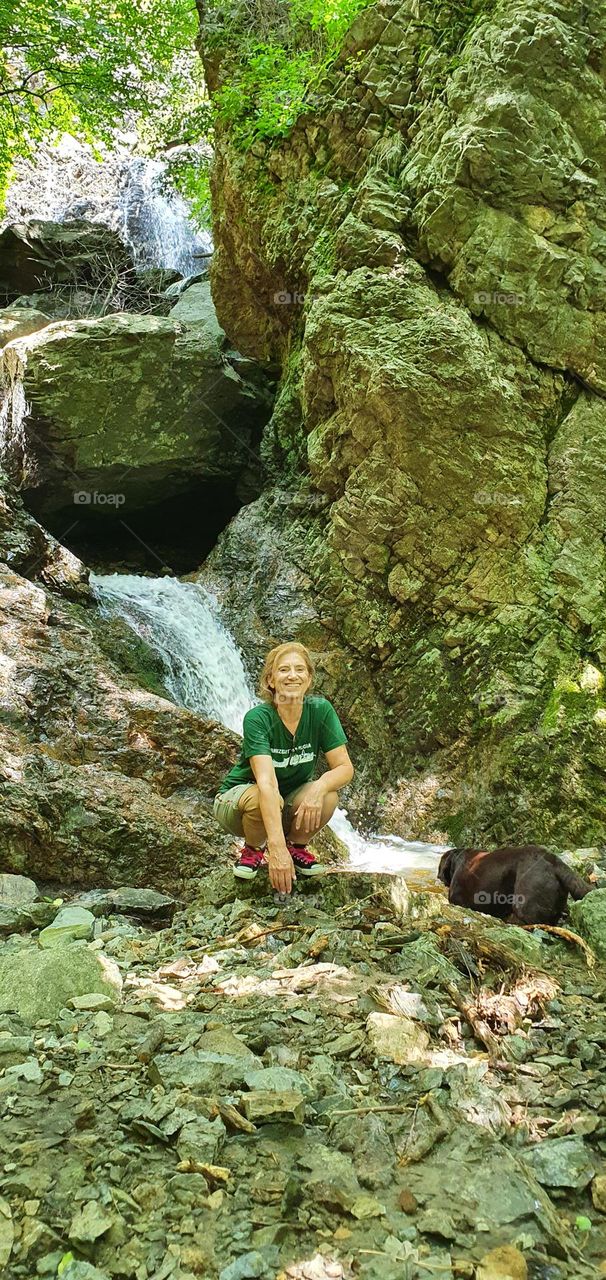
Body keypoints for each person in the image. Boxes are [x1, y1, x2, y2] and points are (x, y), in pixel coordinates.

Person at [213, 642, 354, 893]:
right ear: (271, 680)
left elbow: (344, 768)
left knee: (329, 794)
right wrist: (274, 850)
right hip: (236, 804)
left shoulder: (321, 711)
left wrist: (318, 787)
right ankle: (254, 849)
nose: (292, 676)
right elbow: (266, 783)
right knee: (263, 796)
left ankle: (296, 847)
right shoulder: (258, 718)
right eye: (284, 670)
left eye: (300, 669)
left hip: (283, 802)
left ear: (309, 678)